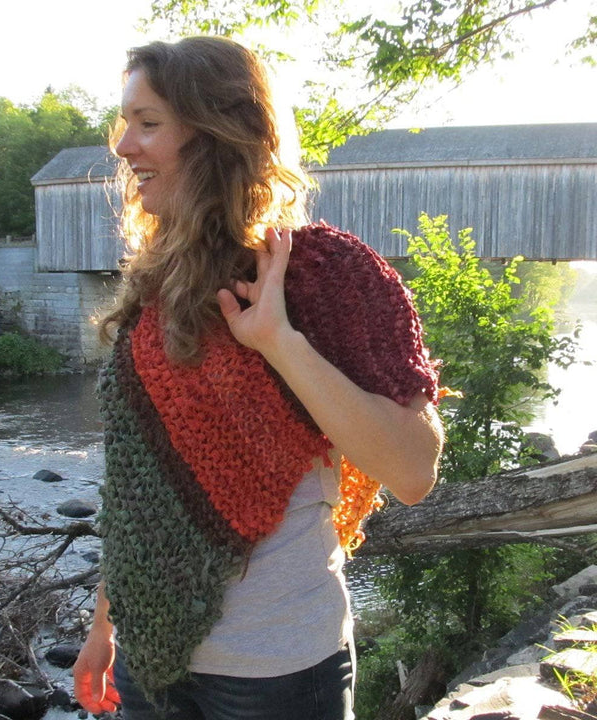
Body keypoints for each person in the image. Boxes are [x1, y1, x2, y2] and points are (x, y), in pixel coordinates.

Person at [73, 36, 444, 720]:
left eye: (148, 123)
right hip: (150, 665)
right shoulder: (158, 284)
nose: (124, 147)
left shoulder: (323, 272)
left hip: (277, 672)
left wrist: (279, 341)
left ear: (219, 134)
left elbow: (414, 470)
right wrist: (106, 627)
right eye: (125, 123)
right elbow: (141, 486)